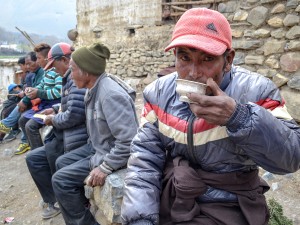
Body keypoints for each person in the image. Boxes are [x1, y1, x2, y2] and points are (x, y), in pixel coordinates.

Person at [121, 8, 300, 225]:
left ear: (228, 60)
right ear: (174, 56)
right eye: (184, 57)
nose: (194, 72)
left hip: (232, 203)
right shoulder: (157, 94)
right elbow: (144, 160)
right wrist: (139, 219)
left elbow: (291, 159)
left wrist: (238, 117)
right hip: (176, 195)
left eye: (207, 58)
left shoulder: (256, 92)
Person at [51, 42, 139, 225]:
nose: (70, 73)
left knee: (60, 180)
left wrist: (105, 167)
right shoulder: (92, 89)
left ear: (86, 71)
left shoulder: (109, 94)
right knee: (61, 161)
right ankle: (84, 206)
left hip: (108, 154)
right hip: (97, 148)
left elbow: (129, 141)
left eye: (73, 69)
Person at [26, 42, 88, 219]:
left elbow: (74, 116)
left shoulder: (75, 79)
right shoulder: (68, 78)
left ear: (65, 60)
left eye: (54, 65)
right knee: (33, 158)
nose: (53, 69)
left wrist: (53, 119)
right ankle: (53, 199)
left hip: (74, 136)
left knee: (54, 153)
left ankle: (63, 199)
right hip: (67, 132)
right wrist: (54, 110)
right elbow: (67, 105)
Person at [17, 43, 62, 154]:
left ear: (47, 58)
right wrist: (32, 90)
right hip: (45, 104)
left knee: (30, 126)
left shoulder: (57, 72)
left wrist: (39, 93)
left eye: (38, 58)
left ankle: (40, 155)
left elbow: (58, 92)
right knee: (22, 120)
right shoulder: (46, 71)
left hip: (54, 105)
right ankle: (34, 149)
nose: (37, 61)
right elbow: (41, 85)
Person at [0, 51, 44, 152]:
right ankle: (24, 140)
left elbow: (38, 90)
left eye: (28, 64)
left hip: (41, 103)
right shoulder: (34, 74)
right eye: (26, 64)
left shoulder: (40, 73)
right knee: (13, 112)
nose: (27, 67)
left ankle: (7, 126)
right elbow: (34, 89)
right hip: (34, 100)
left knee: (22, 115)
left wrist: (25, 98)